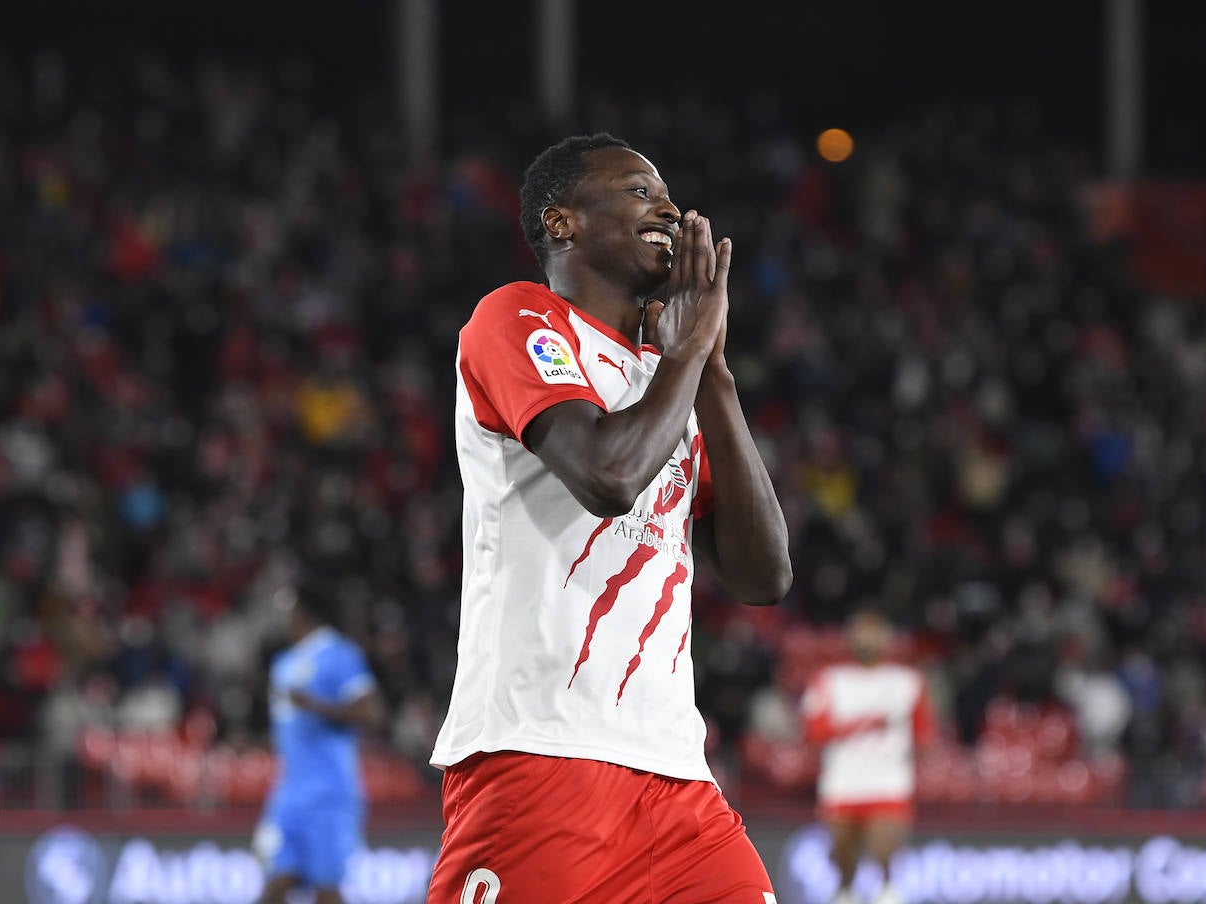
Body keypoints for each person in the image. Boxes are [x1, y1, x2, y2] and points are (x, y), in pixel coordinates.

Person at [427, 133, 793, 903]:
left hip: (676, 777)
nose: (665, 205)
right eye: (636, 191)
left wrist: (714, 375)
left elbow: (765, 576)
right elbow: (607, 474)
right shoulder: (518, 318)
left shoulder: (674, 380)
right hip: (538, 752)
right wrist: (688, 358)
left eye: (664, 191)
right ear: (562, 223)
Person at [254, 579, 384, 904]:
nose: (283, 616)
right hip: (288, 792)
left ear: (305, 610)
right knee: (275, 885)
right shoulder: (281, 663)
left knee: (327, 890)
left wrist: (316, 705)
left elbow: (372, 713)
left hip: (329, 793)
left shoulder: (339, 654)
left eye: (288, 607)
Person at [801, 610, 935, 904]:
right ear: (850, 638)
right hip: (842, 779)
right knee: (843, 853)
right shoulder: (829, 679)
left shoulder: (907, 681)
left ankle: (887, 893)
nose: (867, 639)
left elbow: (924, 733)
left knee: (884, 848)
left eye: (873, 632)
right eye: (860, 632)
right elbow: (813, 731)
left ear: (886, 638)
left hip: (888, 779)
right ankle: (845, 893)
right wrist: (869, 723)